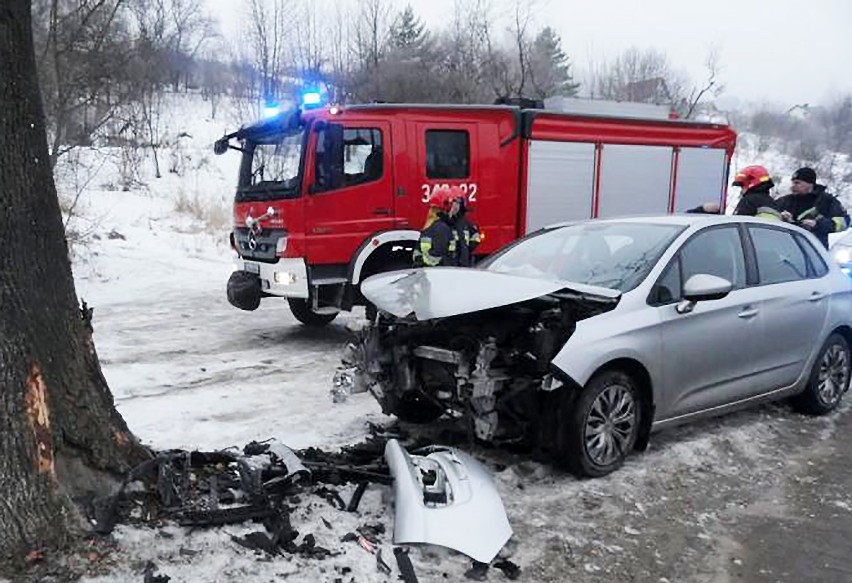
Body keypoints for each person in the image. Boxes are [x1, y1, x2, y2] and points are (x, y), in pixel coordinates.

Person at [776, 167, 849, 248]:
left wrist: (818, 224)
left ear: (810, 184)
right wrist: (781, 217)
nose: (793, 186)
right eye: (792, 183)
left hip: (814, 250)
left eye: (797, 183)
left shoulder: (827, 201)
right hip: (786, 248)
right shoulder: (785, 201)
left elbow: (844, 222)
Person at [413, 188, 462, 267]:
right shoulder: (441, 228)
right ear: (447, 207)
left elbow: (417, 254)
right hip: (440, 274)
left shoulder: (430, 226)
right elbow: (439, 257)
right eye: (453, 204)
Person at [454, 194, 482, 267]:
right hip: (454, 263)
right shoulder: (448, 222)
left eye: (458, 203)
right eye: (454, 202)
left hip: (464, 262)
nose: (455, 206)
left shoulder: (466, 222)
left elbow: (476, 236)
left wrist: (467, 250)